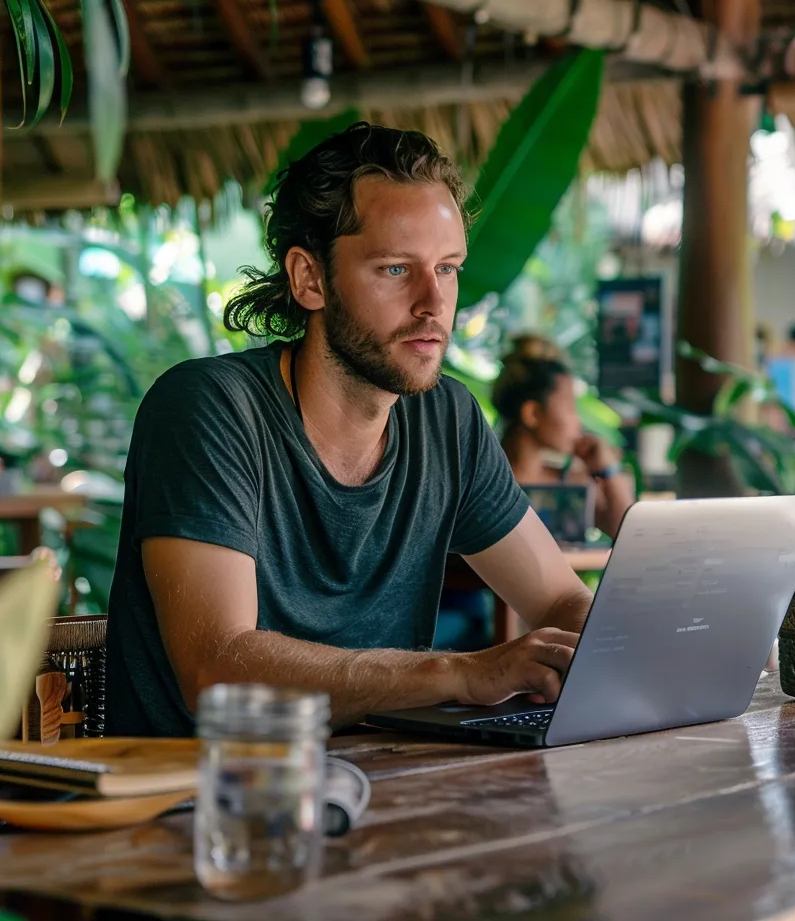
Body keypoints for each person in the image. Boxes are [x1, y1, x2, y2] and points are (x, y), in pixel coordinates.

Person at [105, 123, 595, 738]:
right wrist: (464, 672)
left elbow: (559, 600)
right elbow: (216, 670)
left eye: (447, 269)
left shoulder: (448, 419)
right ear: (309, 278)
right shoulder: (209, 408)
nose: (433, 303)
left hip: (380, 788)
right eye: (395, 269)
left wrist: (621, 639)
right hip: (205, 801)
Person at [490, 335, 635, 540]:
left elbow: (630, 536)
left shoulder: (571, 485)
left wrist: (609, 470)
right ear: (532, 414)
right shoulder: (485, 485)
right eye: (569, 408)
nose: (578, 423)